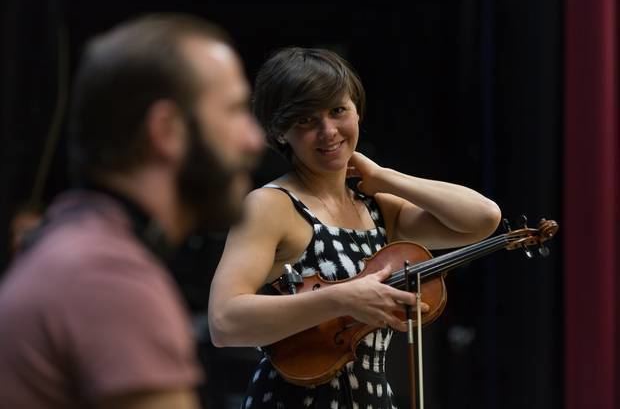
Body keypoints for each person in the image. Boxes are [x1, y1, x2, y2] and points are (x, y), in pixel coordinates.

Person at [208, 47, 501, 408]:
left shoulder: (377, 206)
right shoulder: (271, 205)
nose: (328, 131)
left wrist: (386, 177)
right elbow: (223, 321)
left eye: (337, 111)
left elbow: (483, 219)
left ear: (357, 111)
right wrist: (342, 298)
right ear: (280, 132)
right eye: (305, 120)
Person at [0, 13, 264, 409]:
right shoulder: (109, 278)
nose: (254, 139)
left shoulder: (73, 241)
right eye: (235, 111)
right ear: (166, 130)